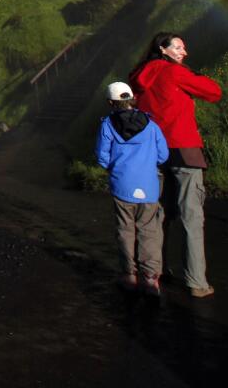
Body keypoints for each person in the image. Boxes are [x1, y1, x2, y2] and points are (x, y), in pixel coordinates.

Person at [129, 32, 223, 298]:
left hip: (151, 150)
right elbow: (214, 92)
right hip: (182, 148)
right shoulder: (175, 73)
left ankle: (153, 272)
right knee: (191, 216)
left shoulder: (138, 75)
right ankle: (196, 281)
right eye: (179, 47)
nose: (185, 52)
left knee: (156, 214)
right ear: (163, 49)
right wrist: (189, 74)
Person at [95, 81, 169, 295]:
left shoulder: (107, 125)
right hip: (149, 186)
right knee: (149, 230)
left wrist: (115, 167)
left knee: (125, 229)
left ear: (111, 102)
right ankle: (150, 278)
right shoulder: (151, 124)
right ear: (131, 99)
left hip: (121, 184)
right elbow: (163, 155)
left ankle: (129, 275)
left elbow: (102, 157)